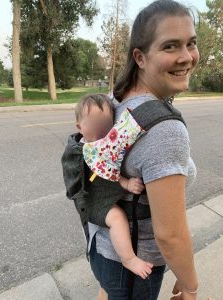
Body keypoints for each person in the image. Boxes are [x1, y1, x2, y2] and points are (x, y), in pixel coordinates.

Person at [88, 0, 204, 299]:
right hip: (137, 265)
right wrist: (190, 285)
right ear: (139, 57)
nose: (187, 57)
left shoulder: (113, 100)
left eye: (191, 43)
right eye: (170, 46)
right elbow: (170, 235)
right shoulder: (164, 130)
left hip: (103, 247)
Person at [73, 93, 153, 279]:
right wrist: (126, 183)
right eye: (95, 127)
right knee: (117, 218)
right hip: (92, 201)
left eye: (107, 127)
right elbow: (106, 170)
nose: (103, 135)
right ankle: (129, 259)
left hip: (101, 197)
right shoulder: (87, 149)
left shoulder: (104, 143)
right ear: (80, 127)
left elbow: (112, 163)